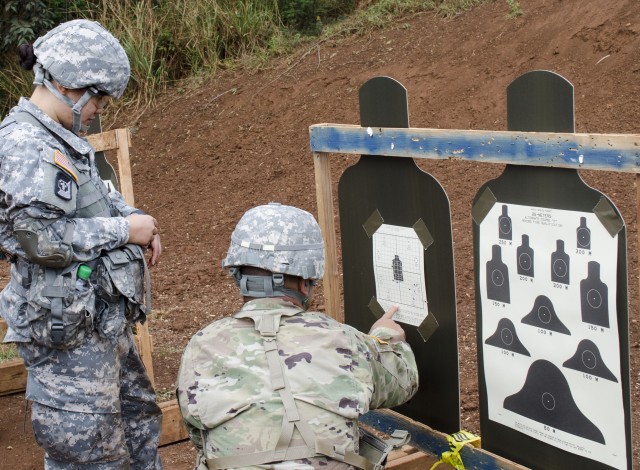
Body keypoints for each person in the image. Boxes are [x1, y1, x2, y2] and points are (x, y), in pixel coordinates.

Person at [0, 19, 163, 468]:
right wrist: (124, 232)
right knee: (90, 454)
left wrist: (130, 214)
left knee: (138, 427)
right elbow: (41, 242)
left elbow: (95, 195)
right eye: (101, 99)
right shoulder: (23, 146)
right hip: (65, 335)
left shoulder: (60, 138)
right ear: (73, 87)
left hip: (98, 320)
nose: (100, 111)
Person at [177, 202, 419, 470]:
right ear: (305, 283)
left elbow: (198, 433)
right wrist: (386, 336)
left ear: (238, 275)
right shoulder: (342, 339)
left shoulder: (202, 345)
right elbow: (402, 382)